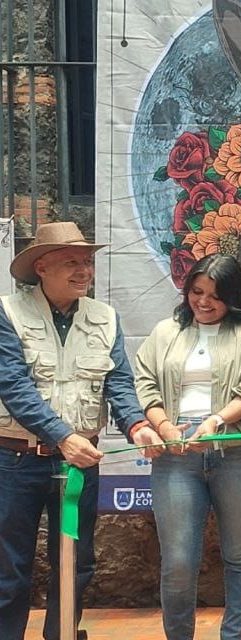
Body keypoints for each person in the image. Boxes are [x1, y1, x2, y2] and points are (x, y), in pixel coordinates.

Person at [0, 221, 148, 640]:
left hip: (81, 465)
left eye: (88, 262)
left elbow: (118, 383)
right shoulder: (6, 312)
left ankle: (62, 635)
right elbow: (12, 385)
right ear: (41, 266)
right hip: (16, 461)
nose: (84, 270)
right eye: (71, 262)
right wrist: (62, 436)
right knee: (10, 567)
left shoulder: (105, 318)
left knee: (77, 563)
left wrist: (137, 425)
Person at [132, 254, 241, 640]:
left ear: (233, 296)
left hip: (237, 451)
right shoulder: (165, 332)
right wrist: (164, 426)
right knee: (178, 561)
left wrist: (216, 421)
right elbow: (144, 381)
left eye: (216, 295)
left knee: (240, 556)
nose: (205, 302)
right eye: (197, 292)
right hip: (175, 456)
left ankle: (234, 636)